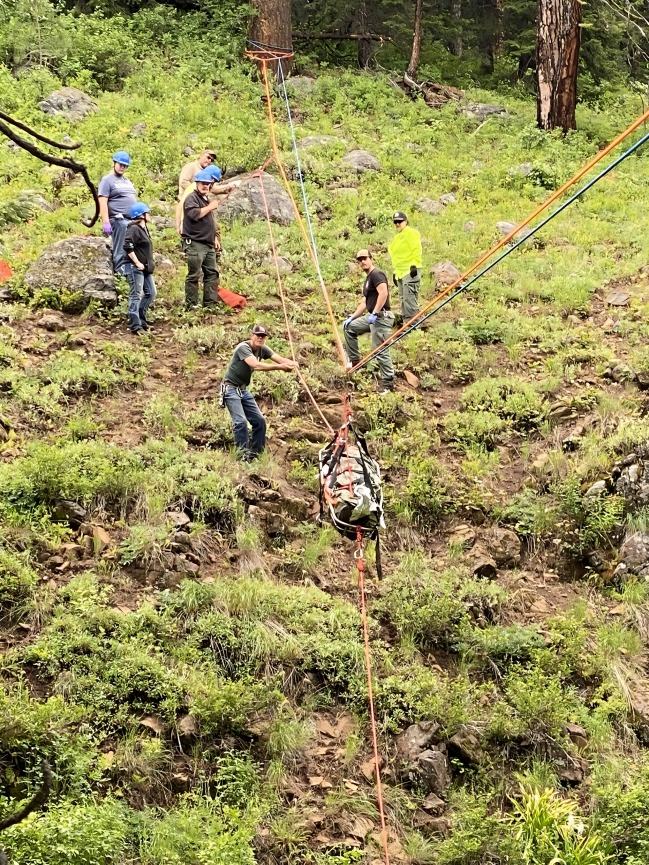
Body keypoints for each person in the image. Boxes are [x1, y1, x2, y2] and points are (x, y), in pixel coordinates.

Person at [221, 324, 298, 461]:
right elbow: (255, 365)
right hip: (230, 389)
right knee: (241, 422)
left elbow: (279, 359)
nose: (260, 338)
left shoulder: (262, 349)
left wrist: (292, 363)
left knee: (259, 421)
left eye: (263, 336)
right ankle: (241, 456)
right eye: (258, 335)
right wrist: (280, 367)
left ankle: (255, 454)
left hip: (242, 389)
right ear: (252, 336)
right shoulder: (243, 348)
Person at [343, 250, 395, 394]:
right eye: (359, 260)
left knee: (379, 349)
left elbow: (383, 293)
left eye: (365, 258)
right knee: (350, 328)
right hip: (373, 316)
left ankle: (388, 383)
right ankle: (355, 362)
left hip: (381, 317)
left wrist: (375, 312)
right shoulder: (368, 279)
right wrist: (352, 317)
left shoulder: (376, 274)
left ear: (371, 259)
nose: (362, 262)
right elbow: (365, 302)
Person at [181, 168, 222, 310]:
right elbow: (194, 214)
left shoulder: (206, 199)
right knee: (194, 275)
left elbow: (211, 221)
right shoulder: (191, 198)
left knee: (212, 273)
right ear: (197, 183)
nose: (205, 186)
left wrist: (215, 237)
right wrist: (210, 207)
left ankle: (210, 304)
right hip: (195, 243)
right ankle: (191, 306)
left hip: (208, 243)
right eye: (203, 183)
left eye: (208, 183)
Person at [98, 151, 137, 276]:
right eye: (121, 164)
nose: (122, 167)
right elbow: (103, 201)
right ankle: (119, 269)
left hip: (131, 220)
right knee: (120, 247)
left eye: (125, 166)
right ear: (114, 163)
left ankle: (131, 269)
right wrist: (106, 221)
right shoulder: (107, 180)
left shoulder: (127, 181)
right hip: (118, 219)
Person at [123, 202, 156, 336]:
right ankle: (135, 325)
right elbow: (128, 246)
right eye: (147, 213)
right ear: (141, 215)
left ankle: (141, 319)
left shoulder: (143, 229)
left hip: (145, 268)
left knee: (151, 293)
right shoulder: (134, 229)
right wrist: (137, 262)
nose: (149, 215)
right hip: (135, 268)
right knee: (135, 295)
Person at [387, 210, 422, 322]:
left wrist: (414, 265)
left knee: (409, 298)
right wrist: (395, 273)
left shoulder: (411, 233)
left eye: (400, 221)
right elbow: (396, 256)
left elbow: (416, 249)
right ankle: (407, 323)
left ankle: (412, 324)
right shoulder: (398, 237)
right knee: (403, 298)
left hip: (410, 270)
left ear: (405, 221)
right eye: (395, 222)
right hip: (401, 272)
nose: (397, 224)